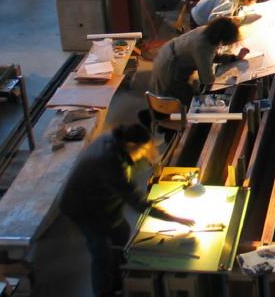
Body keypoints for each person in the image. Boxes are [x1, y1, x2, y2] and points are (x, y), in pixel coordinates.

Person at [60, 124, 194, 296]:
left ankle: (118, 276)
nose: (143, 154)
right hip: (82, 206)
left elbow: (135, 166)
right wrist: (175, 219)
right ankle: (103, 292)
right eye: (142, 150)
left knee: (122, 231)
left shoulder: (117, 141)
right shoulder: (109, 161)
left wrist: (153, 159)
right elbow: (136, 201)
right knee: (101, 250)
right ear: (131, 145)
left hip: (101, 198)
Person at [150, 17, 249, 105]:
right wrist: (226, 81)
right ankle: (167, 115)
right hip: (170, 64)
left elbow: (212, 56)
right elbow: (207, 79)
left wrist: (234, 58)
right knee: (182, 98)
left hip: (171, 53)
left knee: (186, 93)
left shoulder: (208, 32)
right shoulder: (202, 46)